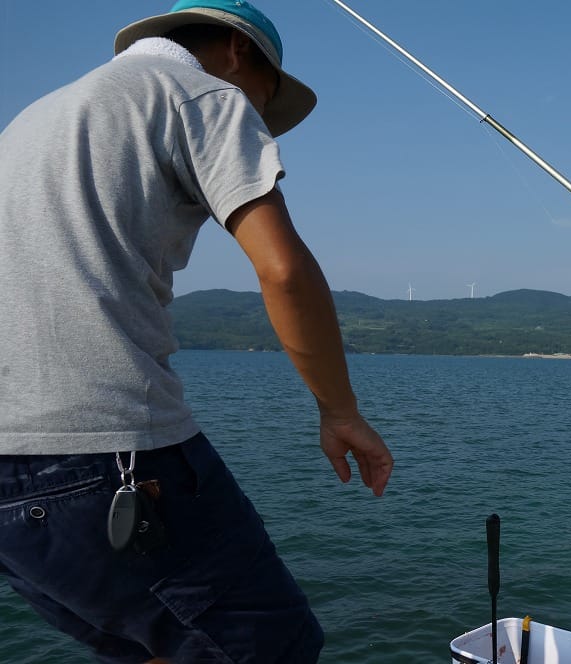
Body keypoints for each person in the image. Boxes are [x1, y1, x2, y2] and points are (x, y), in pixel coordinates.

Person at [0, 1, 393, 662]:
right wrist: (340, 410)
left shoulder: (33, 118)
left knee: (160, 648)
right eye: (267, 98)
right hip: (103, 449)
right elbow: (284, 270)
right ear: (240, 53)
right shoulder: (200, 91)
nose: (262, 116)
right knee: (273, 646)